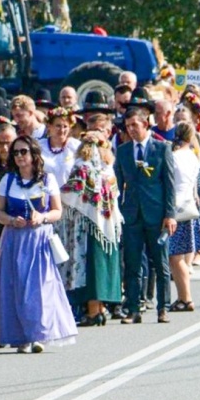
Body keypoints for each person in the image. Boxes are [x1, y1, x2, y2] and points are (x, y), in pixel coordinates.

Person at [0, 136, 78, 351]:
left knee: (40, 287)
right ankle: (21, 337)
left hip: (38, 239)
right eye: (16, 152)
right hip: (14, 239)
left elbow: (57, 211)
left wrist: (43, 217)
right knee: (15, 286)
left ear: (33, 154)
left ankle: (38, 334)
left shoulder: (47, 180)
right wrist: (10, 220)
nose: (19, 156)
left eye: (24, 152)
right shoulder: (8, 180)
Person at [113, 107, 176, 323]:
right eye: (128, 126)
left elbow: (169, 183)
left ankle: (163, 307)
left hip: (156, 214)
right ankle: (133, 308)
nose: (131, 130)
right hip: (132, 214)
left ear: (145, 124)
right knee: (132, 263)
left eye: (135, 125)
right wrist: (116, 211)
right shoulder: (122, 151)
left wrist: (170, 214)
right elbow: (118, 185)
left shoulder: (161, 148)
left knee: (160, 262)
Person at [58, 134, 123, 326]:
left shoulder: (82, 168)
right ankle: (100, 308)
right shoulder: (108, 171)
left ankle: (94, 311)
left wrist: (55, 193)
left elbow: (72, 193)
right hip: (107, 225)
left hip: (86, 226)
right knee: (101, 264)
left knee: (91, 265)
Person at [167, 122, 200, 310]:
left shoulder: (173, 157)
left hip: (175, 209)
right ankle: (183, 296)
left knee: (175, 257)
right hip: (188, 208)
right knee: (179, 256)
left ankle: (185, 297)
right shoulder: (193, 157)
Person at [40, 107, 80, 187]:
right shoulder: (39, 146)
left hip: (69, 196)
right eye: (58, 126)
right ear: (49, 126)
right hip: (46, 195)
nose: (62, 130)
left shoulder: (76, 146)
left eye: (65, 126)